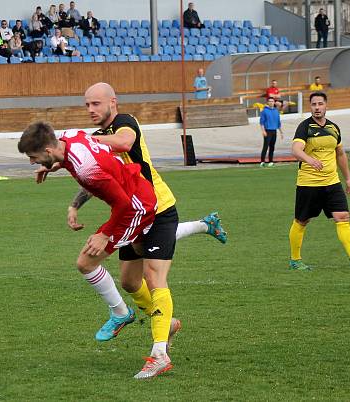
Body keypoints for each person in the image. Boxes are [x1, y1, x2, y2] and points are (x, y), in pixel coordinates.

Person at [63, 83, 227, 378]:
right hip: (133, 214)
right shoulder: (97, 139)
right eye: (87, 104)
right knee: (128, 282)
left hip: (159, 209)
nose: (91, 110)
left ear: (113, 102)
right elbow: (96, 175)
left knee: (154, 276)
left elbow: (124, 143)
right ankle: (166, 320)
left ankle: (159, 354)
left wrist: (89, 142)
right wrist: (75, 205)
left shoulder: (125, 122)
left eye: (96, 104)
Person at [19, 122, 172, 379]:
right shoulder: (68, 138)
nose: (33, 162)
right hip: (135, 197)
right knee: (130, 279)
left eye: (34, 158)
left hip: (137, 206)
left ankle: (133, 325)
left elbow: (123, 203)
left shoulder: (87, 168)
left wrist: (104, 234)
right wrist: (57, 166)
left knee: (88, 263)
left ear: (47, 149)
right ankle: (163, 321)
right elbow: (83, 152)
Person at [289, 92, 350, 272]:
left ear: (326, 105)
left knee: (342, 217)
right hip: (309, 183)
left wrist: (348, 178)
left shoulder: (334, 128)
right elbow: (296, 149)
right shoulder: (305, 127)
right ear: (310, 107)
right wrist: (309, 159)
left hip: (332, 182)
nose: (317, 107)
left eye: (320, 104)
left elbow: (340, 154)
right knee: (302, 221)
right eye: (314, 104)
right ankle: (295, 260)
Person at [259, 97, 283, 167]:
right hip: (267, 130)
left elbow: (278, 122)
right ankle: (262, 161)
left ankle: (271, 161)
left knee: (272, 147)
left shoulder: (276, 111)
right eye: (269, 101)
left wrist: (281, 132)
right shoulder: (264, 111)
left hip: (274, 131)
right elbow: (261, 122)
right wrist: (263, 131)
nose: (271, 102)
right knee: (265, 146)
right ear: (267, 102)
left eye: (272, 101)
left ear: (274, 102)